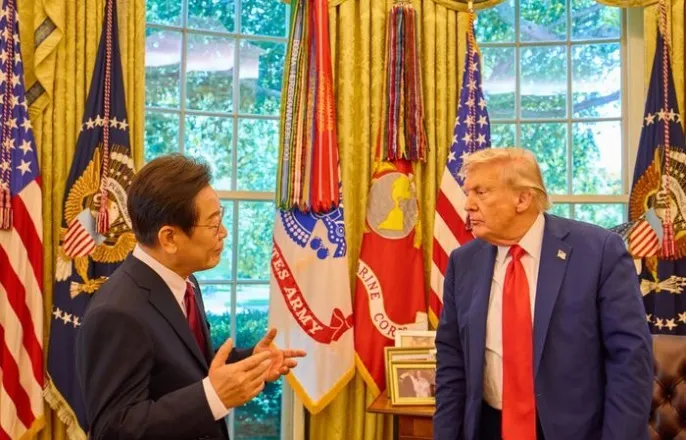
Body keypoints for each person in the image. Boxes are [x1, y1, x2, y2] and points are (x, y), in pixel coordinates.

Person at [75, 154, 306, 440]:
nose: (223, 232)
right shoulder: (116, 312)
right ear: (169, 238)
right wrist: (212, 397)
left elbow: (187, 365)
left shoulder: (185, 282)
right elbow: (114, 429)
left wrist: (251, 362)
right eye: (213, 224)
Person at [433, 148, 652, 440]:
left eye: (481, 192)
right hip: (488, 427)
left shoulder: (599, 252)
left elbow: (630, 360)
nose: (468, 205)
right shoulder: (464, 262)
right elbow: (451, 361)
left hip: (574, 431)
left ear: (523, 199)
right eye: (468, 193)